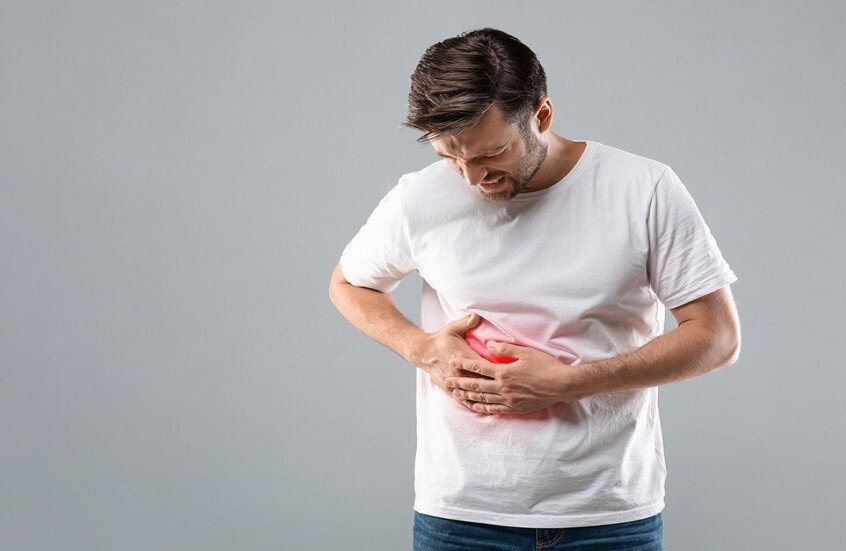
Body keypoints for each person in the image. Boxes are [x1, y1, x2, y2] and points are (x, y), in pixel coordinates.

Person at [328, 28, 740, 551]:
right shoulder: (420, 198)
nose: (472, 177)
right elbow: (348, 283)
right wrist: (420, 348)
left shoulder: (643, 189)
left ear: (541, 115)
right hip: (460, 517)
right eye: (450, 157)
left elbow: (717, 336)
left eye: (491, 153)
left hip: (608, 516)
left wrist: (569, 383)